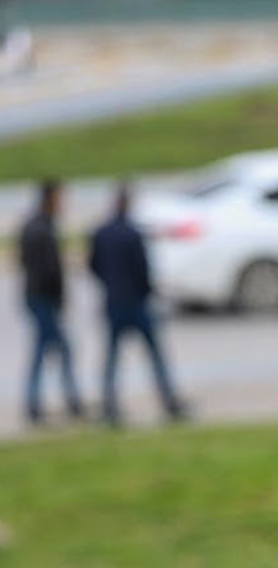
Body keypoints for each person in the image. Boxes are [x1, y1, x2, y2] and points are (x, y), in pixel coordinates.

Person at [88, 184, 186, 426]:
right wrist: (146, 292)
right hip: (136, 302)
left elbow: (93, 266)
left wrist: (110, 285)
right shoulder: (132, 234)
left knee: (112, 359)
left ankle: (110, 406)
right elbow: (142, 270)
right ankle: (169, 402)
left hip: (113, 302)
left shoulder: (101, 232)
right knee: (155, 356)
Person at [18, 179, 84, 426]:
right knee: (61, 351)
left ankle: (35, 404)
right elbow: (48, 270)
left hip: (36, 298)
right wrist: (59, 298)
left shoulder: (34, 226)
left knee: (42, 351)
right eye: (60, 197)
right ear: (50, 198)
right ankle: (70, 401)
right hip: (43, 299)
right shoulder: (42, 229)